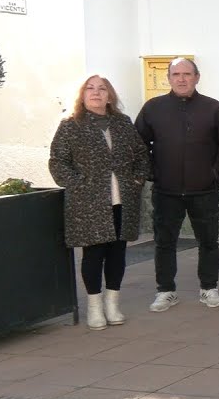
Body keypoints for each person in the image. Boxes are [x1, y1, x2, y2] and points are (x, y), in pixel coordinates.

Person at [135, 58, 219, 313]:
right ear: (168, 78)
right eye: (176, 74)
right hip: (166, 190)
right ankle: (165, 291)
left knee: (208, 241)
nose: (181, 79)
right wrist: (152, 172)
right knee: (164, 242)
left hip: (204, 189)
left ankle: (209, 288)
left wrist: (215, 174)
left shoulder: (213, 108)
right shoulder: (153, 108)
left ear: (197, 77)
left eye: (186, 74)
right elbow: (138, 145)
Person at [49, 75, 148, 330]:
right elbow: (58, 161)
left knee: (117, 252)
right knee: (94, 253)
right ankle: (94, 305)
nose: (96, 93)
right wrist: (77, 184)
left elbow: (141, 155)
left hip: (122, 200)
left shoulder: (123, 123)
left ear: (110, 95)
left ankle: (112, 302)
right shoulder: (71, 125)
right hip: (88, 202)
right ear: (82, 95)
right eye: (90, 89)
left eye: (102, 89)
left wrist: (136, 181)